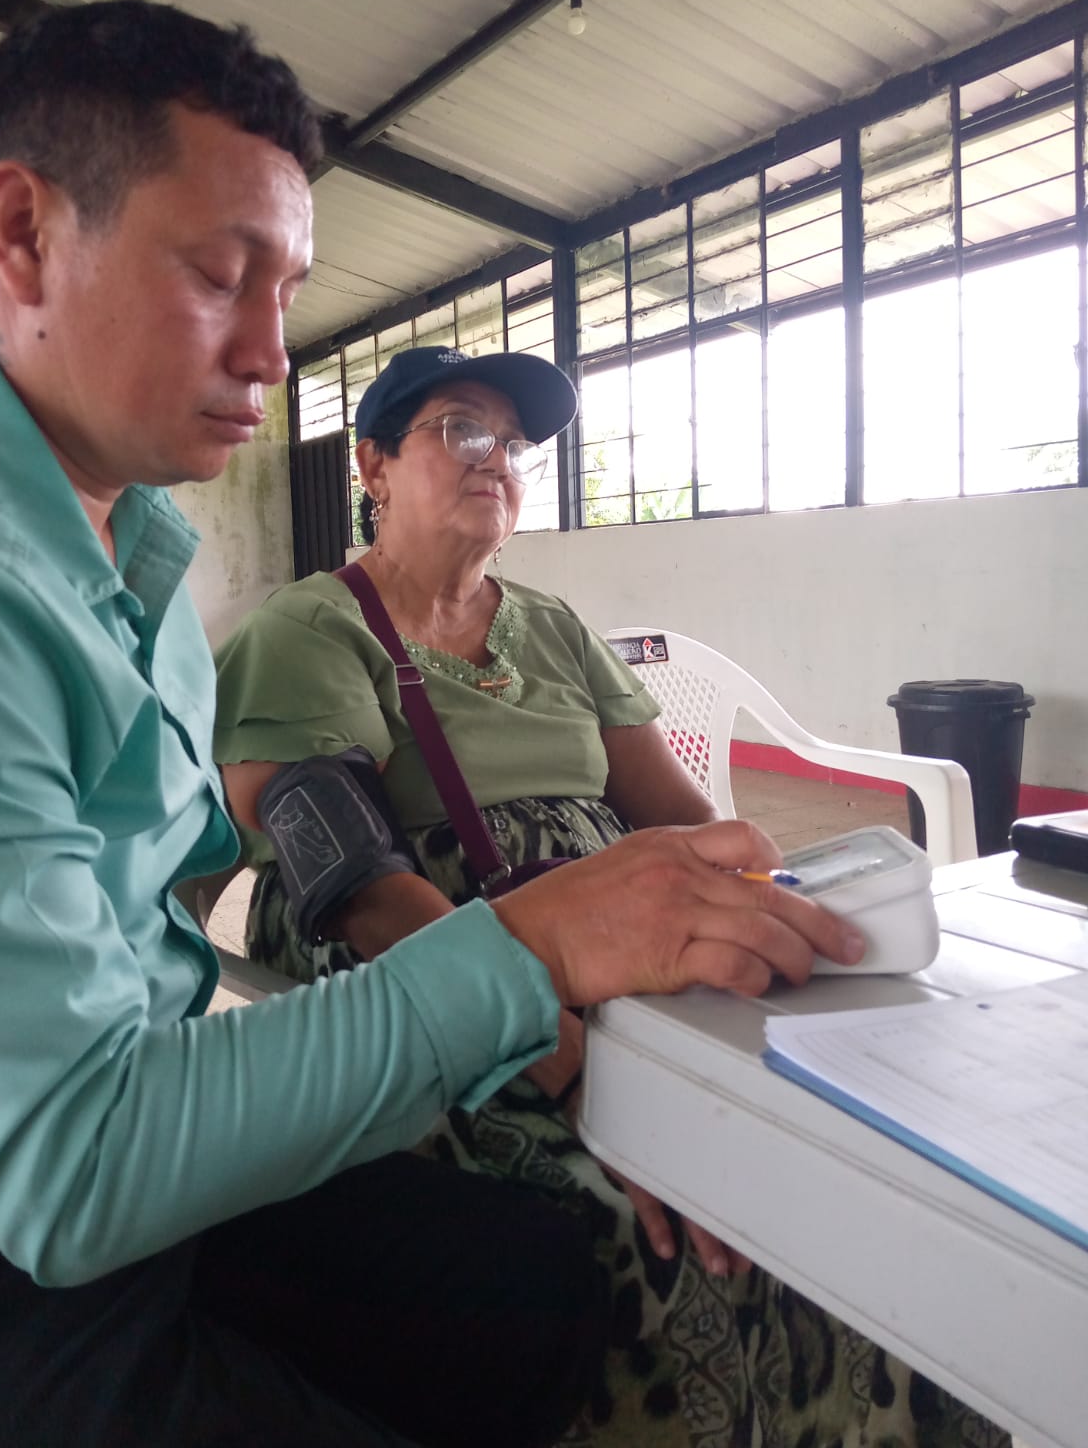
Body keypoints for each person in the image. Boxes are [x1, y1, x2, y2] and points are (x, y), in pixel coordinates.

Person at [0, 0, 873, 1448]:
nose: (271, 353)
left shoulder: (145, 555)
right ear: (25, 234)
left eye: (288, 292)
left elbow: (675, 826)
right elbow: (320, 888)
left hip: (169, 1129)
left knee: (526, 1295)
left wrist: (675, 1016)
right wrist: (541, 969)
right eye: (221, 276)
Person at [212, 349, 1010, 1448]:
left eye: (515, 443)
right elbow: (356, 890)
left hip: (630, 957)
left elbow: (683, 822)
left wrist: (781, 938)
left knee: (874, 1168)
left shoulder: (553, 628)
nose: (498, 459)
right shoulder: (310, 630)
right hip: (439, 983)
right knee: (661, 1231)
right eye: (461, 428)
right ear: (374, 465)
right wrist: (575, 1056)